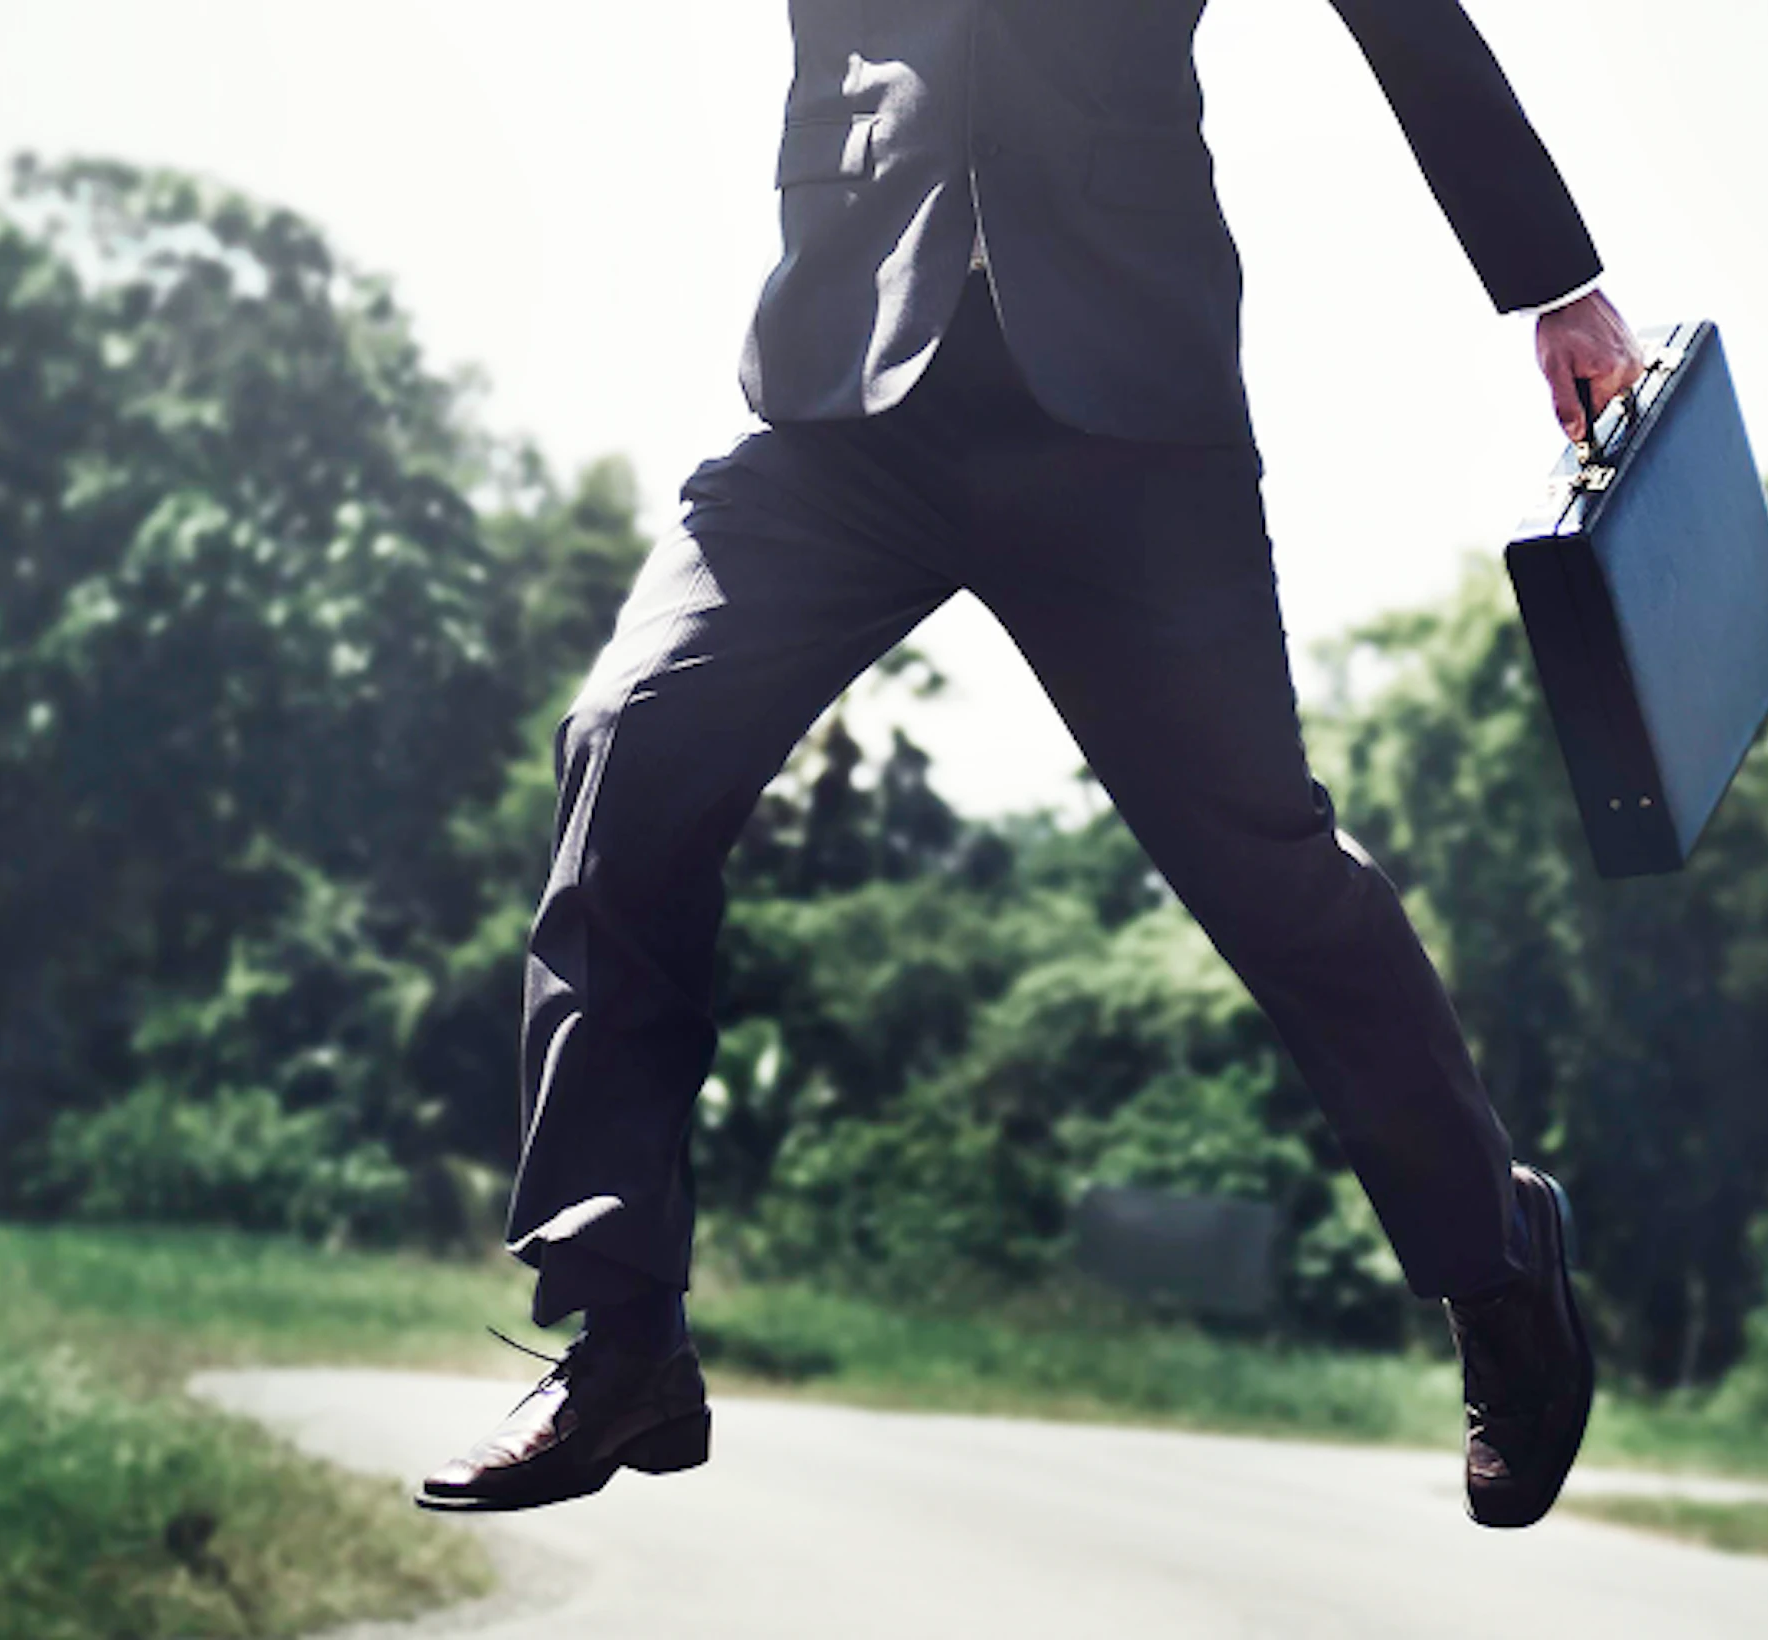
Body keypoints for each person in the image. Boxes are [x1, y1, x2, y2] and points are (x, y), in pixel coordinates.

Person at [416, 0, 1646, 1531]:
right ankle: (622, 1339)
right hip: (849, 386)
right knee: (630, 742)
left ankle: (1496, 1258)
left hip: (1123, 414)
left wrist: (1553, 285)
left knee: (1265, 866)